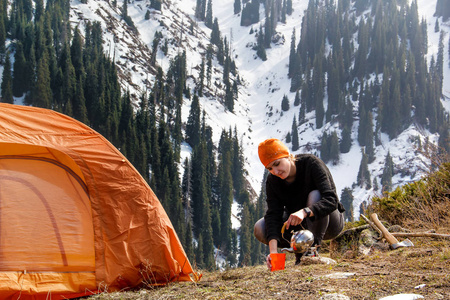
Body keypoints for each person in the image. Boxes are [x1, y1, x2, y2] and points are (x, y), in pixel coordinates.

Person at [253, 138, 345, 270]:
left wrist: (304, 212)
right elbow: (273, 215)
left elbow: (331, 200)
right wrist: (273, 253)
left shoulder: (311, 164)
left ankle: (311, 252)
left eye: (277, 164)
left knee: (315, 195)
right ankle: (301, 253)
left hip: (330, 222)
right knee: (260, 227)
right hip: (299, 228)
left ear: (288, 156)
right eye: (270, 168)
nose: (276, 171)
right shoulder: (273, 181)